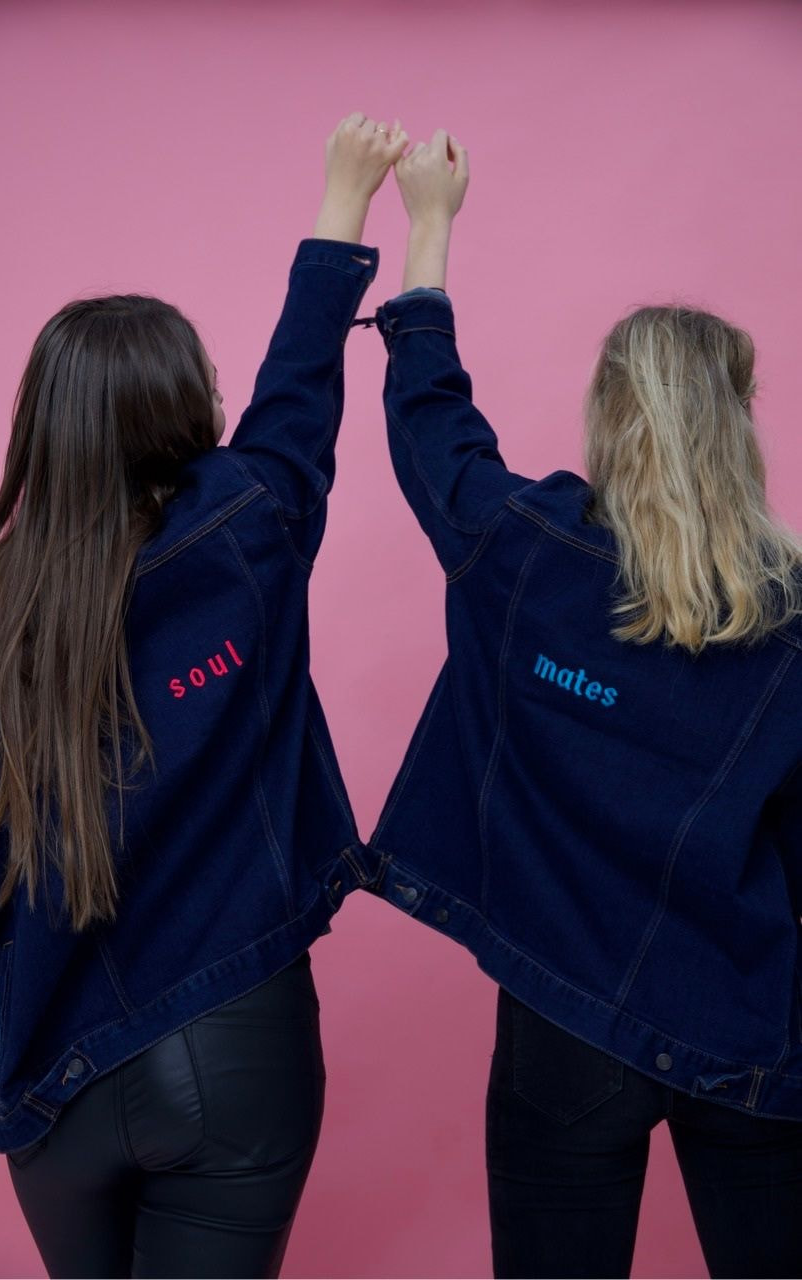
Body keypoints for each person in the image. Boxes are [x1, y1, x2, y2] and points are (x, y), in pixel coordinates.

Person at [0, 111, 406, 1280]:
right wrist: (345, 203)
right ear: (183, 409)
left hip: (50, 1070)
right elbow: (298, 393)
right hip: (233, 1038)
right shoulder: (249, 529)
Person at [365, 129, 802, 1278]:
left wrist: (427, 225)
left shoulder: (526, 552)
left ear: (608, 415)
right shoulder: (793, 615)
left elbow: (429, 424)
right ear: (741, 418)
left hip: (565, 1021)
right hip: (750, 1022)